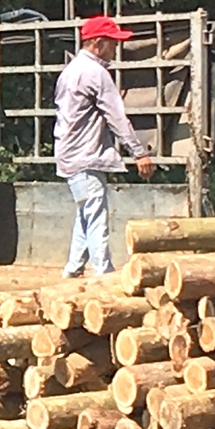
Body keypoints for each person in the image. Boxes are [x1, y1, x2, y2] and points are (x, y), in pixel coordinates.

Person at [55, 15, 156, 278]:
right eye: (112, 43)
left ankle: (73, 268)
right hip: (86, 154)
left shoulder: (70, 71)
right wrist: (139, 152)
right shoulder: (95, 73)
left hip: (69, 154)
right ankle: (104, 271)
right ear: (98, 43)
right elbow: (116, 116)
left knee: (87, 211)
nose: (115, 49)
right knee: (96, 213)